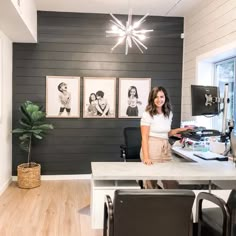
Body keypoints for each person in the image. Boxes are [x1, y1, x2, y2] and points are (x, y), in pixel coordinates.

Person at [140, 86, 190, 189]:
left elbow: (166, 133)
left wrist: (180, 130)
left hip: (166, 147)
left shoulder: (168, 114)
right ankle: (151, 204)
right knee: (151, 184)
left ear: (165, 98)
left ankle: (169, 204)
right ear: (152, 99)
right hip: (152, 147)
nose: (159, 100)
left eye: (161, 96)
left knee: (171, 181)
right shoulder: (147, 114)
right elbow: (144, 137)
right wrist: (146, 157)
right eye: (156, 97)